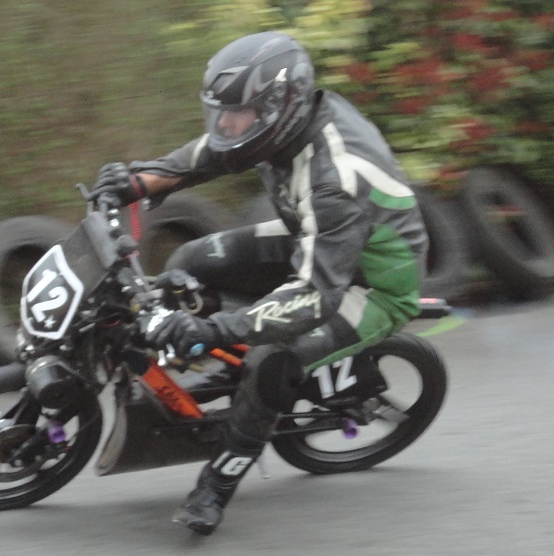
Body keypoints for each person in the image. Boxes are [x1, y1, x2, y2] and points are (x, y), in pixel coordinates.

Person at [90, 31, 428, 535]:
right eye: (219, 112)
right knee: (191, 259)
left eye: (237, 113)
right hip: (313, 237)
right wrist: (139, 181)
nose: (224, 124)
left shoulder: (334, 179)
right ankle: (215, 371)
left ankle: (217, 483)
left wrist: (215, 329)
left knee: (270, 359)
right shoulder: (281, 126)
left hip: (369, 282)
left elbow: (315, 295)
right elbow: (213, 151)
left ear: (278, 108)